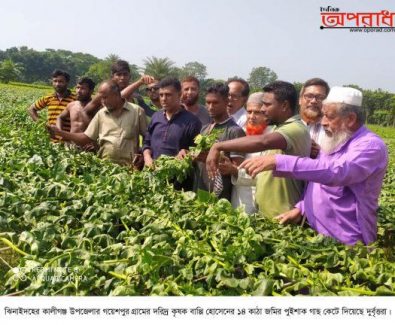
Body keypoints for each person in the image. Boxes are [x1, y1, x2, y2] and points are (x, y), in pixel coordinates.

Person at [238, 86, 388, 246]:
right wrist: (301, 208)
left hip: (347, 240)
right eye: (323, 115)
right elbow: (318, 182)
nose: (323, 122)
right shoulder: (336, 140)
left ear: (350, 119)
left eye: (329, 117)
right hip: (316, 235)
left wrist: (280, 160)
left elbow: (337, 172)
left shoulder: (370, 146)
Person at [206, 81, 311, 219]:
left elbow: (263, 142)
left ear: (284, 105)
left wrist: (218, 146)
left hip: (283, 214)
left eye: (267, 105)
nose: (263, 110)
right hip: (267, 213)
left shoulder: (294, 128)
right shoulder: (279, 128)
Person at [47, 80, 147, 166]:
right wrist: (60, 132)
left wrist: (143, 155)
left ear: (116, 95)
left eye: (105, 97)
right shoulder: (101, 114)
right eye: (100, 98)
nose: (102, 102)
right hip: (104, 166)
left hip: (130, 168)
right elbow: (85, 138)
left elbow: (148, 138)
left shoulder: (137, 111)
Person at [193, 83, 245, 201]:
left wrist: (214, 159)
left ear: (227, 102)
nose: (210, 107)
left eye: (215, 103)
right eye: (208, 102)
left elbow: (237, 169)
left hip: (221, 197)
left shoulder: (234, 131)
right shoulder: (205, 129)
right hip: (201, 189)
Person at [143, 77, 202, 167]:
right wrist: (147, 157)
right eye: (161, 95)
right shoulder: (156, 117)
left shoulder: (192, 122)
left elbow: (198, 152)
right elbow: (147, 143)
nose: (163, 99)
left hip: (180, 177)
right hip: (153, 175)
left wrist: (188, 154)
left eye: (168, 95)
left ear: (179, 95)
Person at [225, 92, 269, 213]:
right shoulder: (241, 132)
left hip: (258, 202)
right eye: (249, 112)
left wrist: (234, 170)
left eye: (257, 112)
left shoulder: (272, 138)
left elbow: (266, 176)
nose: (251, 116)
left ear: (266, 113)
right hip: (237, 198)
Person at [28, 69, 76, 142]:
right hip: (50, 141)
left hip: (68, 142)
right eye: (55, 81)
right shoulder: (48, 98)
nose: (57, 84)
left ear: (67, 82)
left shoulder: (75, 99)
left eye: (60, 81)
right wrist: (43, 124)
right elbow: (31, 109)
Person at [298, 78, 330, 158]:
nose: (313, 101)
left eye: (320, 97)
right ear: (300, 100)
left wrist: (321, 154)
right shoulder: (287, 126)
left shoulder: (335, 130)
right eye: (309, 96)